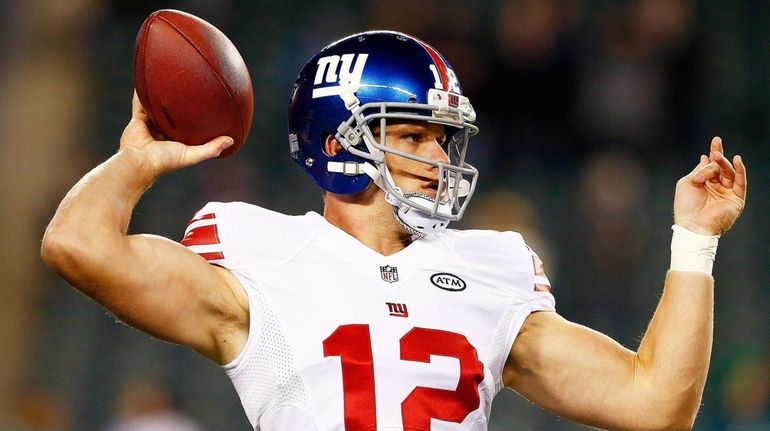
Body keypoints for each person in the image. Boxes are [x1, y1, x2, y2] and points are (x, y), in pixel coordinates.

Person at [41, 30, 747, 430]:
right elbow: (77, 245)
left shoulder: (489, 267)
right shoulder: (259, 255)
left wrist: (695, 238)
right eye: (415, 135)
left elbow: (656, 402)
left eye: (445, 138)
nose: (440, 158)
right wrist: (135, 163)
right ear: (337, 143)